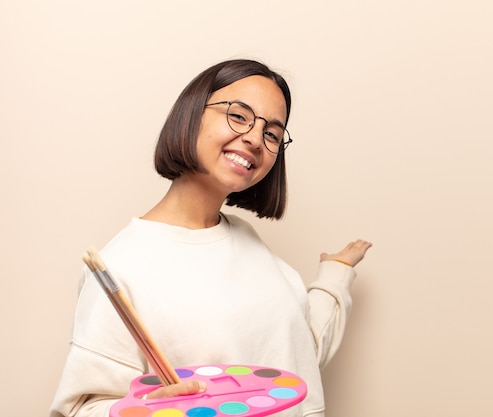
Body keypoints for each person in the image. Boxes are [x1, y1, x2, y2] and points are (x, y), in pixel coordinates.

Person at [49, 58, 372, 417]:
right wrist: (148, 412)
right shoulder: (123, 266)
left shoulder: (248, 241)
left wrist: (335, 276)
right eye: (238, 115)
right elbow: (81, 409)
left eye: (272, 134)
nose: (254, 139)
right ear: (191, 114)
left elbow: (295, 360)